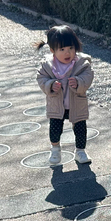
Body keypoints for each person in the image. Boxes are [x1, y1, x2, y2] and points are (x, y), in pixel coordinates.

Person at [36, 25, 95, 165]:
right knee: (55, 129)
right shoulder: (47, 65)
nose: (67, 53)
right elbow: (41, 78)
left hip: (76, 103)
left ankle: (80, 151)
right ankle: (55, 149)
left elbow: (88, 76)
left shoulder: (82, 63)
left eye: (71, 48)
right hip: (57, 104)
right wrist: (50, 84)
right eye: (62, 49)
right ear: (53, 51)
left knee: (80, 128)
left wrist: (79, 82)